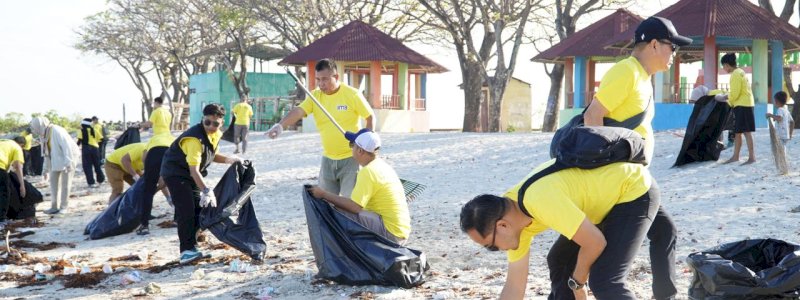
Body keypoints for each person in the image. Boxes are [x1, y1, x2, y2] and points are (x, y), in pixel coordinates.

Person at [582, 16, 686, 299]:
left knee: (665, 232)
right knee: (601, 268)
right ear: (654, 44)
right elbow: (593, 116)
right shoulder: (626, 71)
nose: (675, 54)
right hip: (619, 179)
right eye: (672, 47)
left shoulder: (644, 77)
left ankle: (665, 295)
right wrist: (607, 172)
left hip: (634, 177)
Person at [460, 160, 659, 299]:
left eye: (490, 246)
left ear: (502, 226)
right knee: (560, 260)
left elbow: (595, 243)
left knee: (605, 280)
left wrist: (578, 282)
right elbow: (514, 287)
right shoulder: (511, 216)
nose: (495, 251)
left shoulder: (540, 202)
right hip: (599, 202)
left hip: (632, 191)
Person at [267, 59, 374, 197]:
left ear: (336, 77)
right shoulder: (315, 96)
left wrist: (367, 142)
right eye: (318, 79)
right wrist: (280, 125)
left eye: (325, 79)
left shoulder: (352, 94)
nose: (321, 84)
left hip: (351, 159)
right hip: (328, 160)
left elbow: (370, 117)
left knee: (350, 203)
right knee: (326, 204)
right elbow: (299, 111)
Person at [161, 104, 241, 264]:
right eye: (207, 122)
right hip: (175, 174)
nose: (211, 127)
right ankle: (185, 251)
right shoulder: (193, 139)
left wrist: (229, 160)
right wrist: (206, 190)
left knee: (200, 211)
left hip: (190, 175)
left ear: (221, 122)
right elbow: (194, 170)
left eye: (215, 123)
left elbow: (211, 154)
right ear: (202, 120)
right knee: (186, 211)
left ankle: (193, 247)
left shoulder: (216, 134)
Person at [307, 129, 410, 244]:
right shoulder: (382, 166)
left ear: (360, 150)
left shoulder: (368, 171)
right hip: (400, 230)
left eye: (352, 145)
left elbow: (354, 207)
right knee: (340, 207)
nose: (351, 149)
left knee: (334, 211)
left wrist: (323, 194)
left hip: (391, 232)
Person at [30, 117, 79, 214]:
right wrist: (45, 169)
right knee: (53, 183)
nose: (34, 130)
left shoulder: (56, 130)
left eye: (35, 127)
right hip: (55, 159)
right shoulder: (43, 134)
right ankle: (54, 206)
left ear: (40, 125)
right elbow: (45, 152)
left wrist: (68, 162)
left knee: (66, 183)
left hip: (69, 157)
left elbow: (67, 146)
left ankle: (64, 207)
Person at [719, 53, 757, 164]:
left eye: (723, 66)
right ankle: (736, 156)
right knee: (738, 132)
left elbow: (735, 94)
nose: (724, 68)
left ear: (727, 64)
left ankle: (752, 157)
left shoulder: (735, 74)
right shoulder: (741, 72)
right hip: (746, 104)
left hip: (742, 105)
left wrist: (727, 101)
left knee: (746, 132)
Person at [137, 132, 175, 235]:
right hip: (171, 154)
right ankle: (177, 219)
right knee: (175, 187)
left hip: (154, 155)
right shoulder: (172, 137)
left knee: (148, 190)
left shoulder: (153, 138)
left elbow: (144, 157)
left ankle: (144, 225)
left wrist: (148, 171)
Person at [0, 137, 27, 225]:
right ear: (21, 145)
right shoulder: (17, 147)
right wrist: (22, 185)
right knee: (4, 192)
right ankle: (1, 219)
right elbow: (18, 167)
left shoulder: (4, 141)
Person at [77, 118, 105, 188]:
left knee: (87, 166)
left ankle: (91, 182)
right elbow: (101, 139)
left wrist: (76, 147)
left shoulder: (81, 130)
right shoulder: (94, 130)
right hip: (95, 149)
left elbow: (79, 141)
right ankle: (100, 179)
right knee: (97, 165)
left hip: (86, 149)